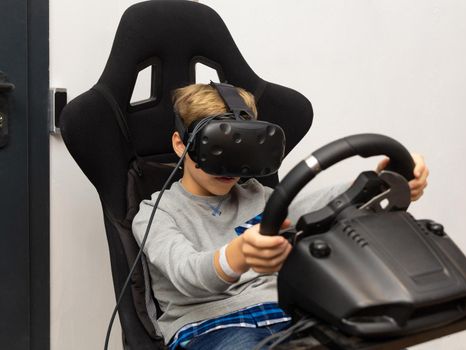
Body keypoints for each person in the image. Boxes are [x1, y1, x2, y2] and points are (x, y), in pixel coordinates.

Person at [132, 83, 429, 350]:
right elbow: (188, 274)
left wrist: (381, 182)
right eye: (218, 151)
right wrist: (238, 255)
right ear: (181, 144)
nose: (231, 168)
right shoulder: (155, 214)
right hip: (210, 328)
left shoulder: (258, 196)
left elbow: (316, 207)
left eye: (242, 151)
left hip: (287, 316)